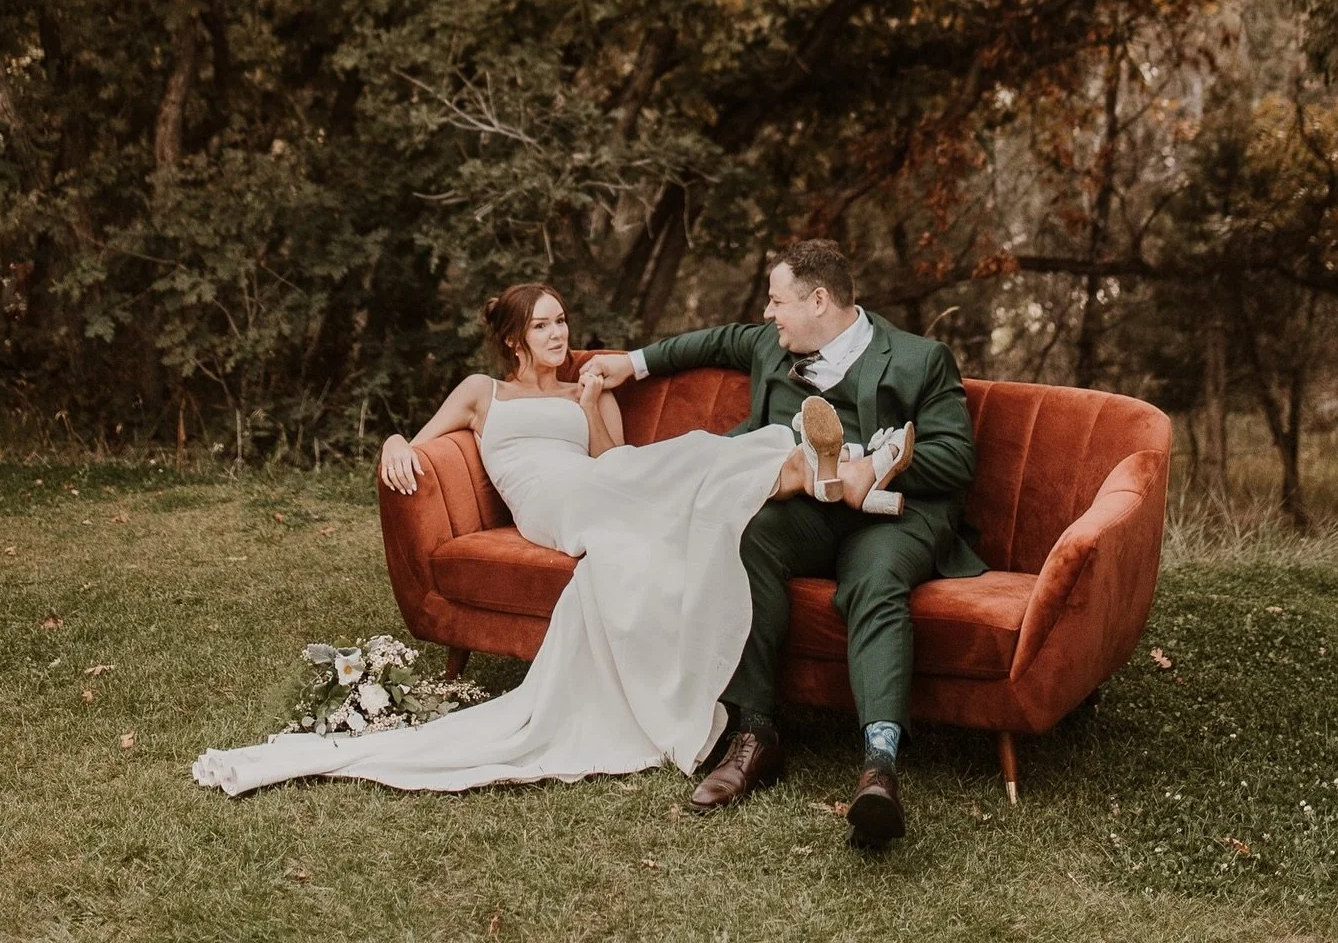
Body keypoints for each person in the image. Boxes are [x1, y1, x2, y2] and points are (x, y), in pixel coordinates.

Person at [192, 279, 866, 799]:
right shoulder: (483, 392)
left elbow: (615, 464)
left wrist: (591, 405)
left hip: (601, 489)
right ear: (515, 339)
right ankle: (789, 465)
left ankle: (787, 470)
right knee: (681, 468)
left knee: (648, 511)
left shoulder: (587, 388)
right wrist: (393, 440)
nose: (557, 332)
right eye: (542, 324)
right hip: (552, 504)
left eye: (561, 320)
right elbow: (421, 441)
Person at [581, 237, 985, 847]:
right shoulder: (773, 345)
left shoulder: (920, 358)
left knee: (875, 582)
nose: (767, 313)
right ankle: (757, 735)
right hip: (805, 508)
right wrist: (630, 363)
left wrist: (871, 468)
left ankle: (879, 767)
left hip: (890, 516)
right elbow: (716, 340)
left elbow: (956, 456)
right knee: (747, 534)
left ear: (818, 300)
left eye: (777, 301)